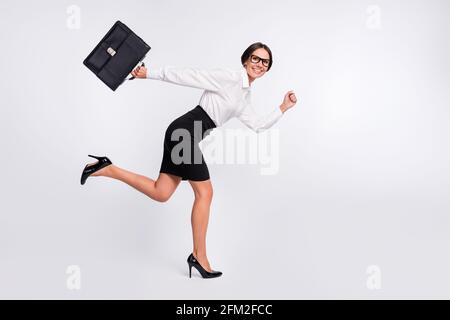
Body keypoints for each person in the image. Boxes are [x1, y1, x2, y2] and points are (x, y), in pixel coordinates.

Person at [80, 42, 297, 279]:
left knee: (160, 192)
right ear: (245, 60)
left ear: (267, 69)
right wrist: (148, 74)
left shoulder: (245, 95)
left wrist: (283, 107)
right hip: (184, 132)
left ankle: (106, 168)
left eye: (265, 62)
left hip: (186, 134)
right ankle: (199, 257)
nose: (259, 64)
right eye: (255, 59)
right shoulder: (230, 78)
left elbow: (257, 125)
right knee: (205, 193)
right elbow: (190, 76)